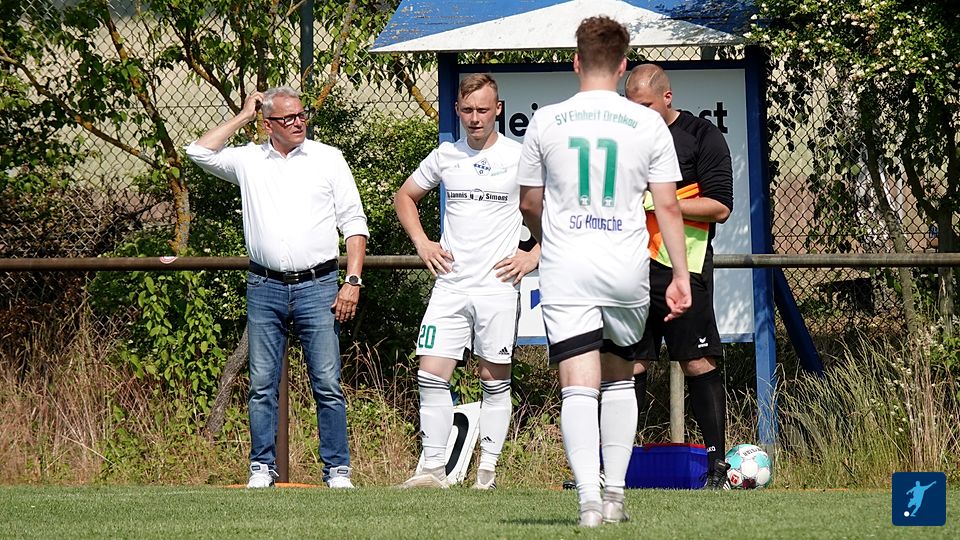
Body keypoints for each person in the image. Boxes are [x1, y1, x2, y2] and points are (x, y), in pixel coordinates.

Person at [517, 17, 691, 527]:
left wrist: (549, 236)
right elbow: (668, 207)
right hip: (625, 268)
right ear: (622, 66)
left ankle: (588, 502)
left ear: (576, 61)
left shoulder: (546, 120)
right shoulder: (647, 124)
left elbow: (528, 203)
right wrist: (680, 275)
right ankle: (615, 495)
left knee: (577, 382)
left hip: (568, 266)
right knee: (619, 375)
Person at [186, 86, 368, 489]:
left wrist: (352, 280)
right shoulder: (249, 160)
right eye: (288, 118)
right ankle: (261, 468)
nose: (299, 123)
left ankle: (337, 470)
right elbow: (198, 152)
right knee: (262, 384)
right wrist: (242, 116)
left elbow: (354, 223)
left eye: (301, 115)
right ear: (267, 124)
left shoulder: (328, 158)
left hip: (319, 285)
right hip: (264, 285)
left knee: (327, 383)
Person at [394, 73, 539, 490]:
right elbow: (405, 197)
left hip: (497, 287)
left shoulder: (520, 157)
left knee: (493, 379)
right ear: (457, 110)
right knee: (430, 374)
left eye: (483, 110)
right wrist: (422, 243)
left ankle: (486, 474)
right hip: (450, 285)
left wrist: (534, 255)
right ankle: (432, 470)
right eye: (468, 110)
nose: (475, 118)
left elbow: (552, 210)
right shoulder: (446, 155)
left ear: (498, 110)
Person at [624, 64, 734, 488]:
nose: (639, 115)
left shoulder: (702, 136)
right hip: (630, 267)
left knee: (696, 360)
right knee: (629, 364)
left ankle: (717, 467)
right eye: (631, 106)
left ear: (667, 98)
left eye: (646, 106)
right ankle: (612, 468)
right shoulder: (623, 139)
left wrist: (660, 202)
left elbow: (719, 207)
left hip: (682, 266)